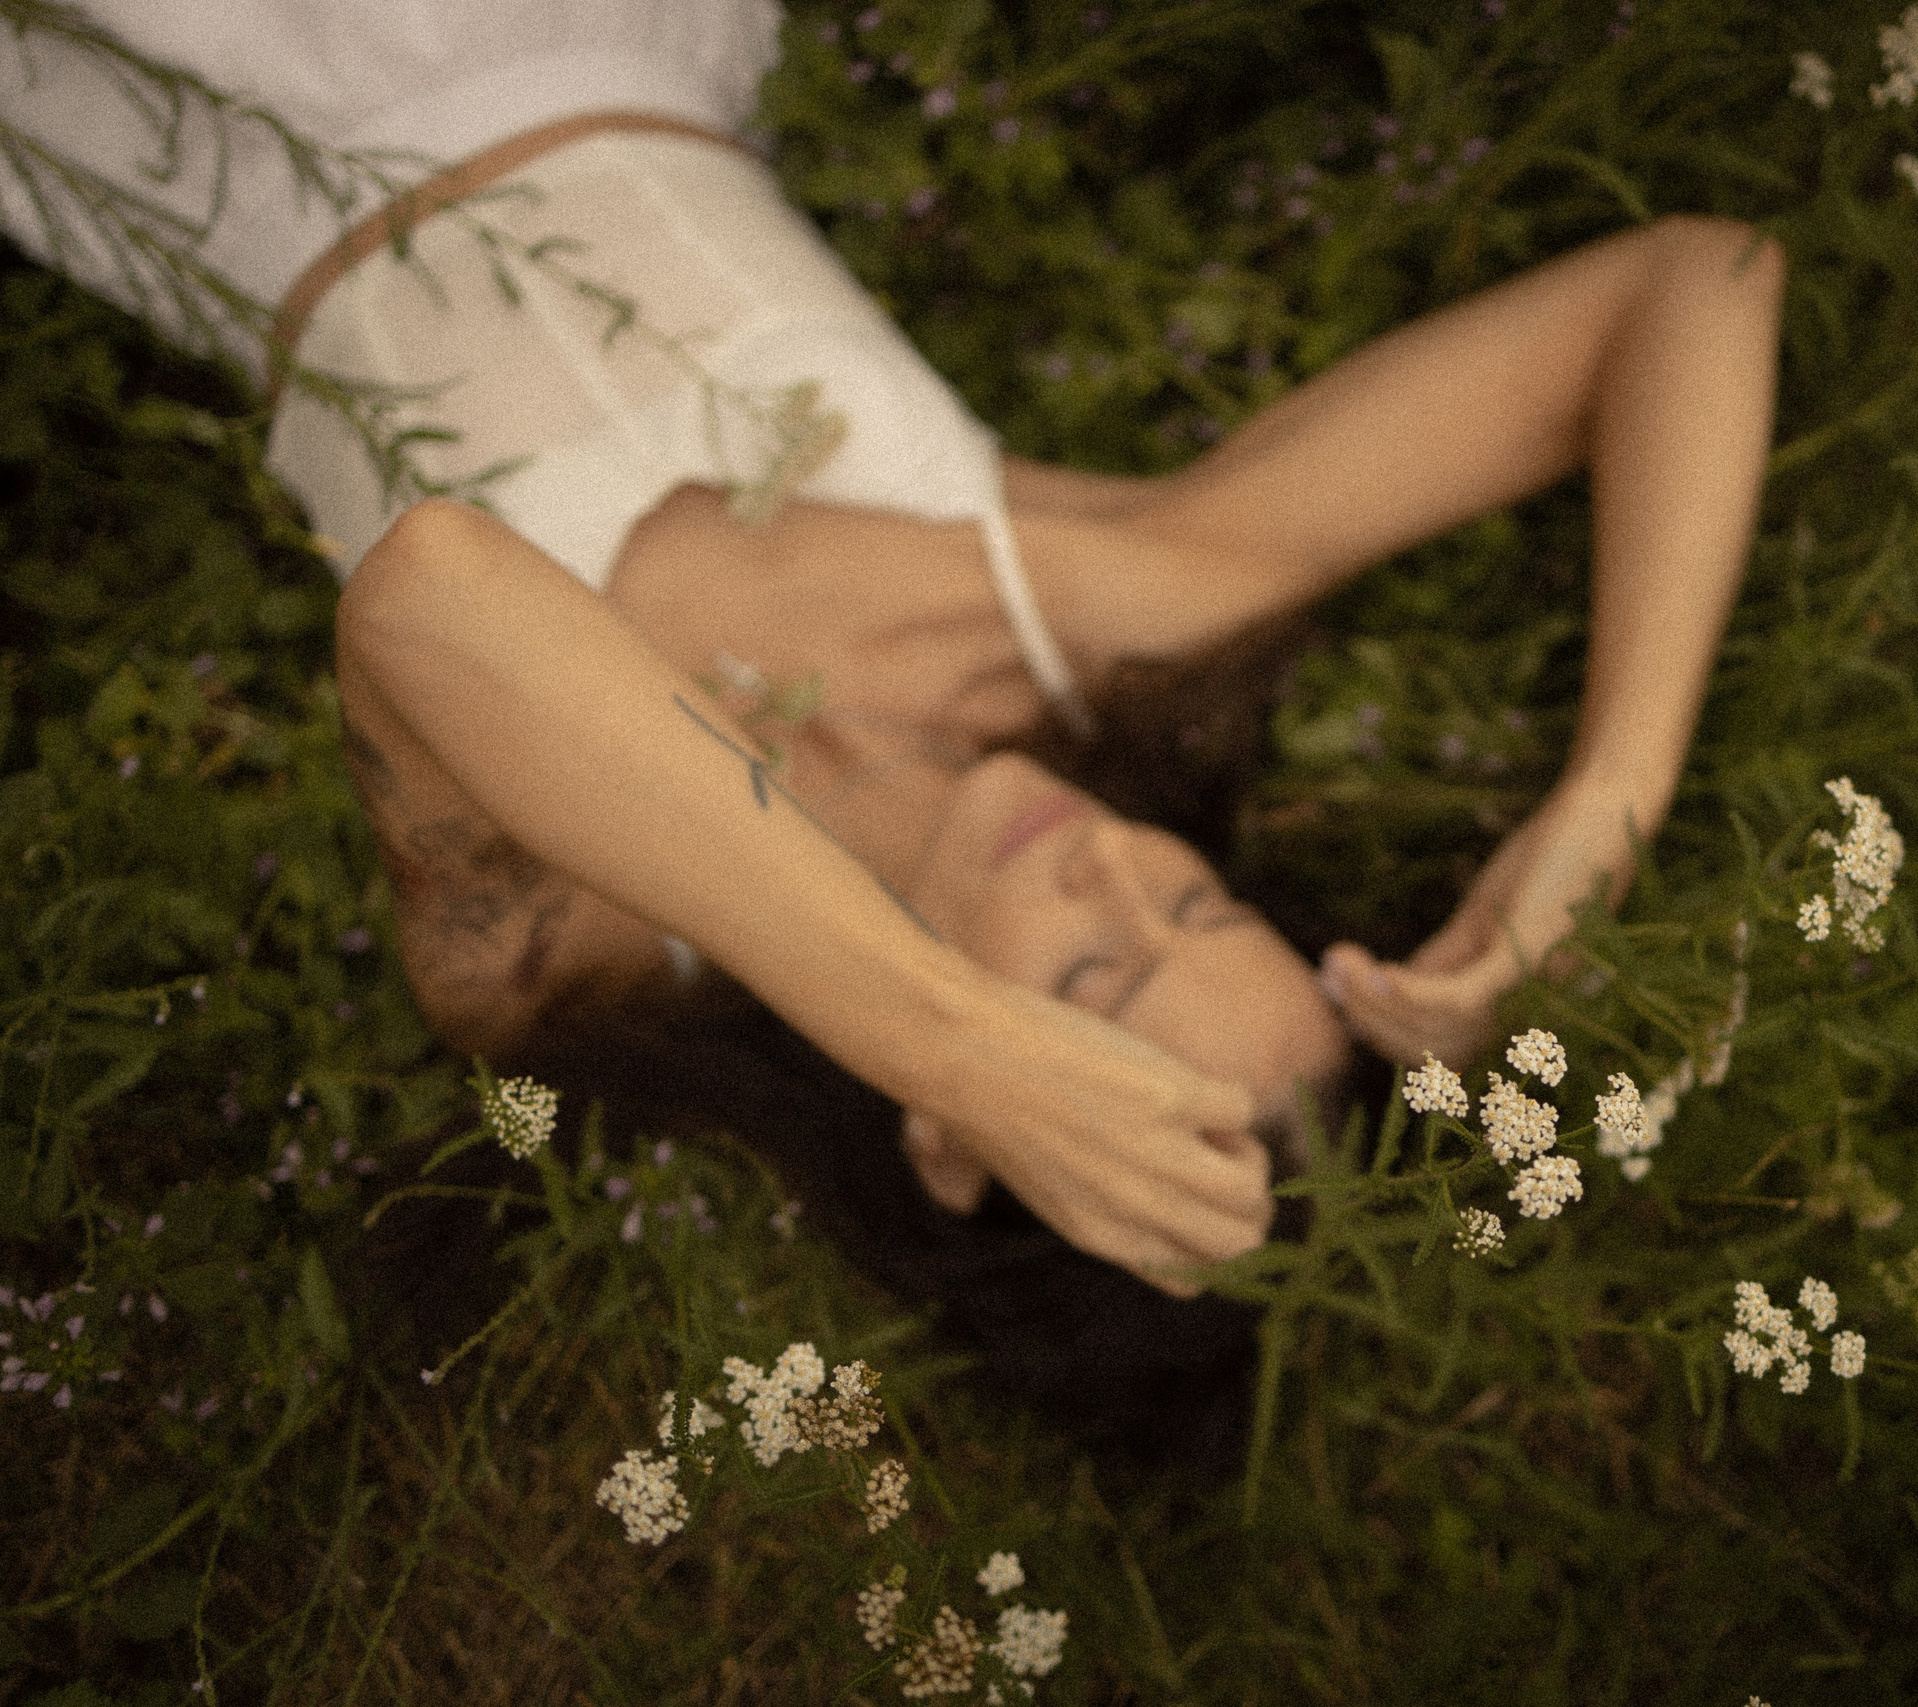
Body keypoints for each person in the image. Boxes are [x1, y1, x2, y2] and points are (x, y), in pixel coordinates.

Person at [0, 1, 1783, 1310]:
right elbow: (1699, 281)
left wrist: (937, 1037)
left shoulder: (592, 944)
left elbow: (427, 592)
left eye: (1086, 991)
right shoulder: (1096, 612)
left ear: (960, 1142)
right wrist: (1605, 803)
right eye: (1197, 904)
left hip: (188, 148)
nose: (1106, 864)